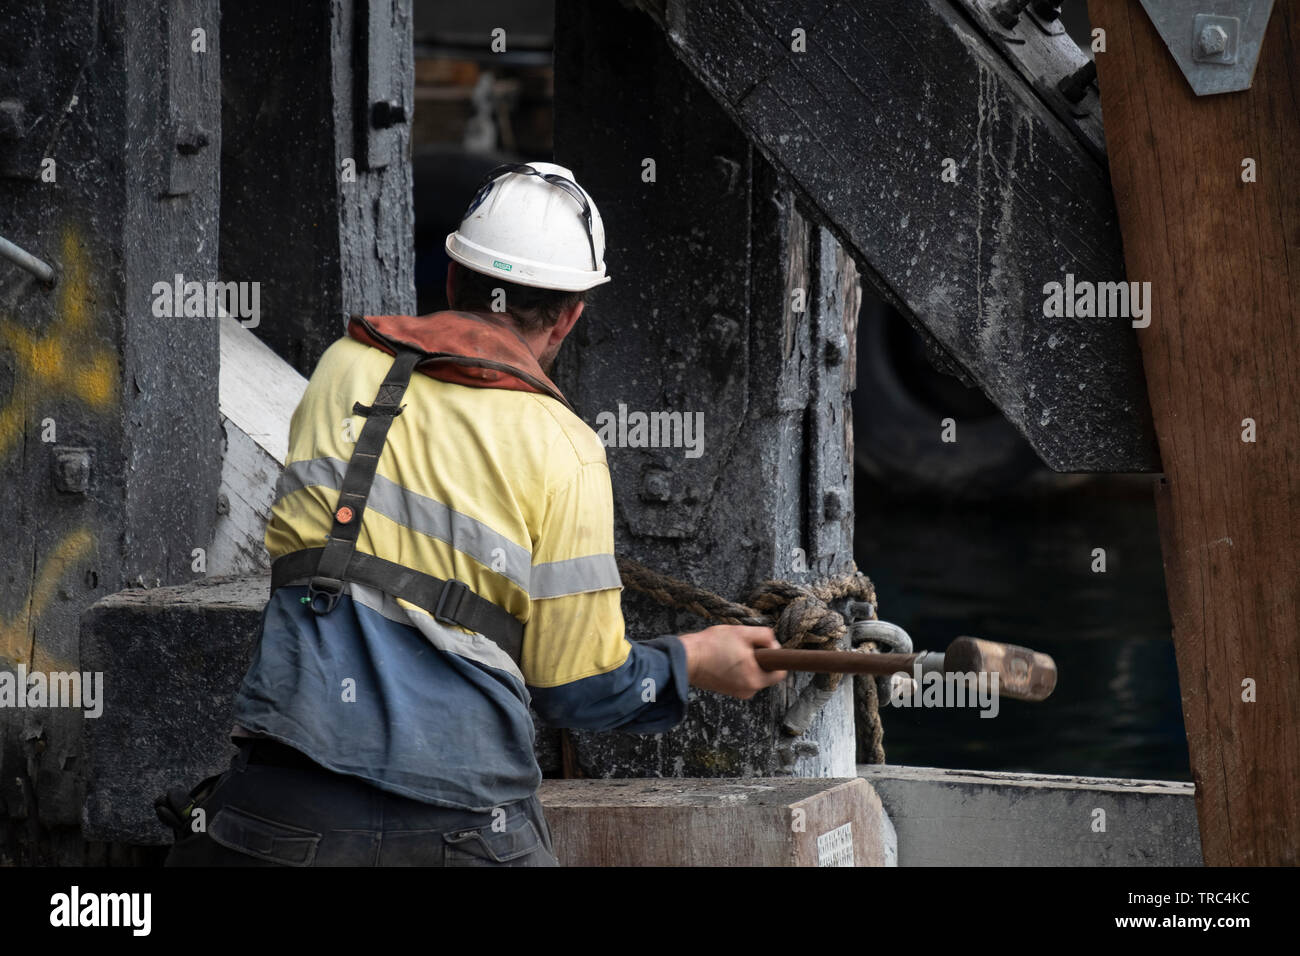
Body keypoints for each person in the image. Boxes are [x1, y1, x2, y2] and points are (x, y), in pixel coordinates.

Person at [163, 162, 786, 867]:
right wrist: (695, 660)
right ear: (571, 314)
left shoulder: (344, 369)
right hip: (462, 831)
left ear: (453, 277)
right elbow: (579, 687)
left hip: (278, 814)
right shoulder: (567, 449)